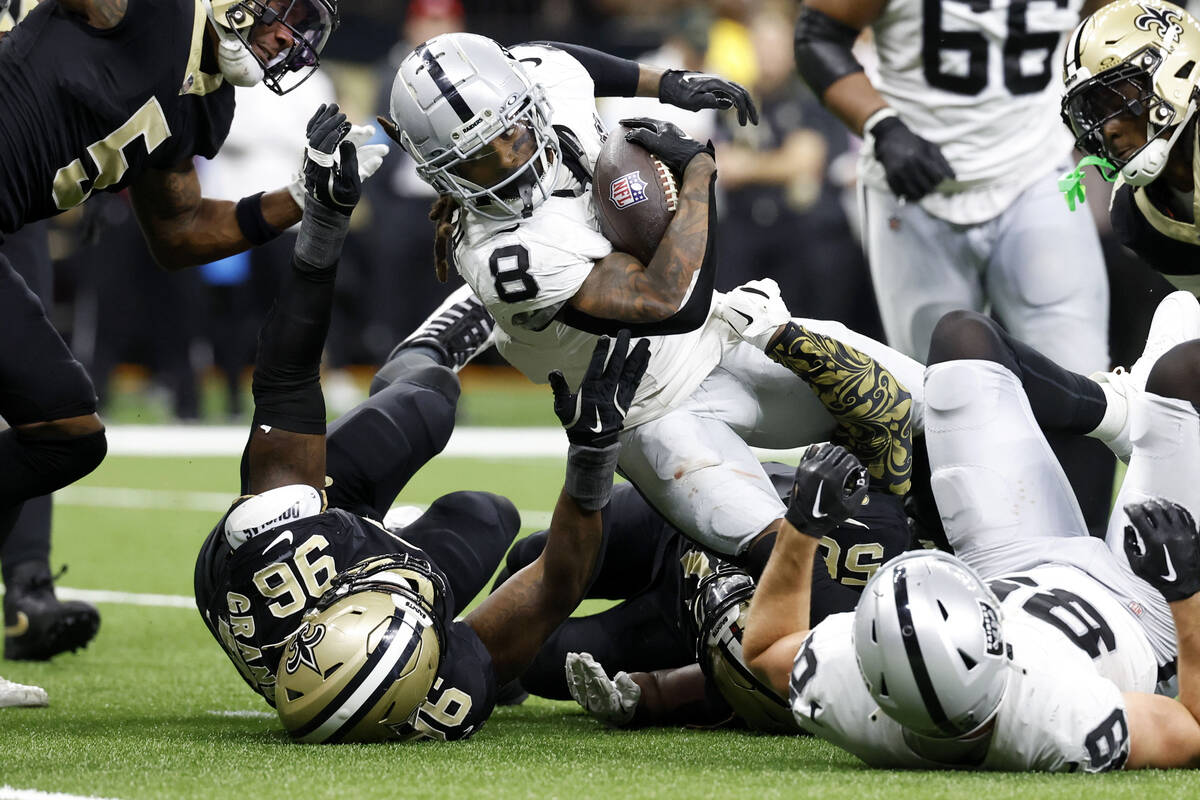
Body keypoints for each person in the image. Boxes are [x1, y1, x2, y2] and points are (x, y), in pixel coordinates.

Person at [385, 33, 924, 579]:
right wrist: (698, 181)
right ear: (437, 171)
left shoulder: (537, 76)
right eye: (477, 159)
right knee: (793, 563)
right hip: (650, 410)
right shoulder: (502, 256)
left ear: (527, 100)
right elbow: (669, 303)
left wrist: (668, 85)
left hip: (718, 336)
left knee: (934, 409)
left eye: (512, 132)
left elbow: (559, 55)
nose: (508, 160)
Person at [194, 108, 653, 743]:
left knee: (428, 405)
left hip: (293, 544)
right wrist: (593, 447)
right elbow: (558, 580)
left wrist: (324, 225)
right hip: (404, 626)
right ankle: (500, 664)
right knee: (488, 516)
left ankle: (425, 354)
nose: (408, 606)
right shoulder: (446, 684)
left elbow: (286, 383)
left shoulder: (278, 549)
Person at [0, 0, 375, 705]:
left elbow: (178, 231)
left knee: (65, 433)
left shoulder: (205, 103)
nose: (285, 39)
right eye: (282, 15)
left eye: (298, 30)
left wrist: (302, 195)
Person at [741, 292, 1200, 770]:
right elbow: (1194, 726)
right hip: (1145, 609)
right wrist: (1186, 592)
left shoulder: (851, 692)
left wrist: (803, 523)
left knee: (962, 339)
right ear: (997, 646)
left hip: (1007, 563)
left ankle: (1118, 414)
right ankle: (1143, 415)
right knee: (1186, 369)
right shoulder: (1064, 722)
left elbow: (767, 649)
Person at [794, 0, 1115, 534]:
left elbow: (1118, 25)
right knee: (930, 395)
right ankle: (949, 564)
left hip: (1037, 169)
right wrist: (882, 124)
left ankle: (1085, 569)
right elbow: (816, 35)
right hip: (914, 184)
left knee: (1082, 380)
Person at [496, 462, 909, 730]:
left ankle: (490, 674)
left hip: (686, 618)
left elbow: (763, 677)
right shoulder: (928, 509)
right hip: (685, 520)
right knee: (529, 559)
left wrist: (653, 695)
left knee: (535, 659)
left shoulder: (878, 641)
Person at [1061, 0, 1200, 293]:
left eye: (1119, 102)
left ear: (1175, 74)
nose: (1108, 129)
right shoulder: (1133, 214)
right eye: (1096, 115)